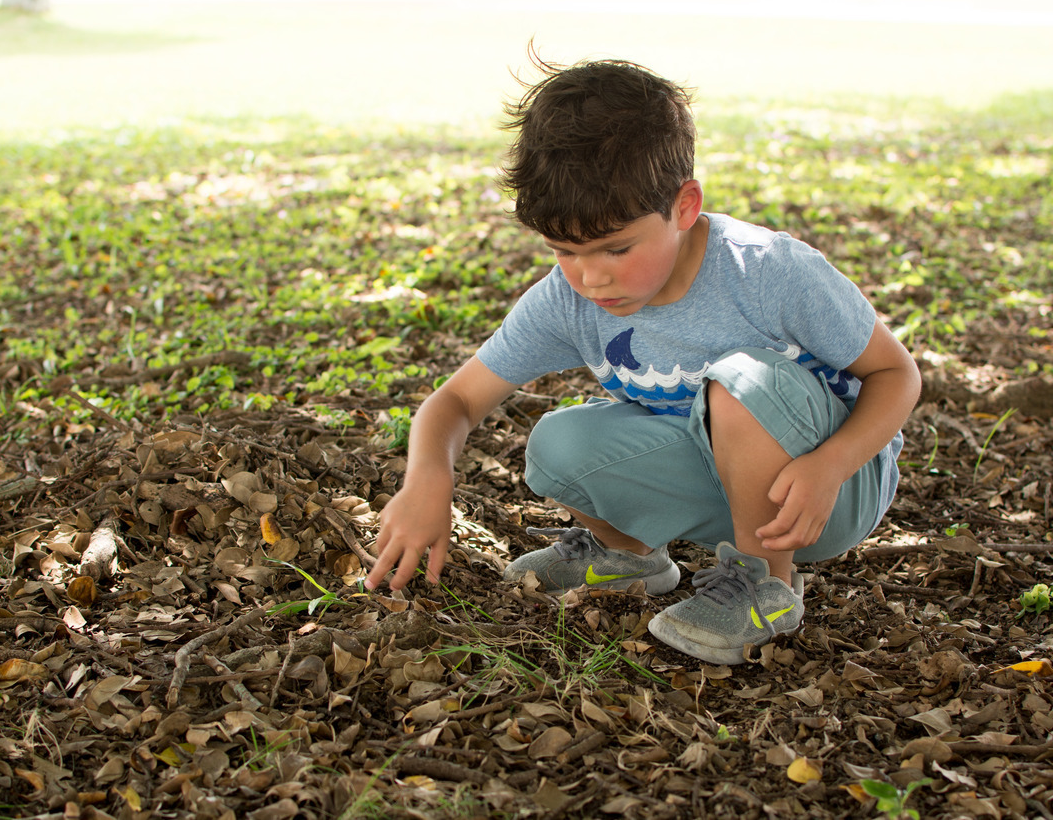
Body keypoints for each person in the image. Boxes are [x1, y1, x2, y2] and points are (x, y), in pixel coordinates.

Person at [363, 55, 921, 666]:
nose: (590, 277)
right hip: (728, 486)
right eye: (564, 251)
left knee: (740, 383)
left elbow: (897, 374)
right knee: (559, 443)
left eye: (616, 249)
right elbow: (456, 400)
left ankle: (766, 585)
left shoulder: (768, 272)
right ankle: (628, 554)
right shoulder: (569, 299)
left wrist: (831, 465)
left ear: (684, 206)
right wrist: (428, 479)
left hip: (831, 490)